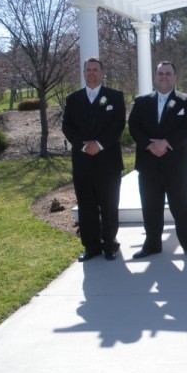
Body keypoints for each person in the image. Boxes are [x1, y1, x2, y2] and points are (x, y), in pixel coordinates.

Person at [128, 61, 187, 258]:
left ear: (175, 77)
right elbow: (134, 126)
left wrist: (166, 143)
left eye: (168, 73)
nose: (164, 77)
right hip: (149, 163)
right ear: (155, 76)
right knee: (150, 206)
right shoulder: (141, 101)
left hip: (177, 165)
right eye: (161, 73)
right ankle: (152, 244)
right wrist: (150, 145)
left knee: (182, 206)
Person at [62, 57, 126, 262]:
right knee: (86, 204)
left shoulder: (115, 97)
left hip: (108, 160)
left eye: (95, 69)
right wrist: (84, 145)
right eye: (88, 70)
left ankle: (110, 245)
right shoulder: (73, 98)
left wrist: (98, 144)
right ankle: (91, 247)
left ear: (102, 73)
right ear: (84, 73)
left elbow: (118, 125)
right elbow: (67, 126)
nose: (91, 73)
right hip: (82, 160)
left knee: (109, 204)